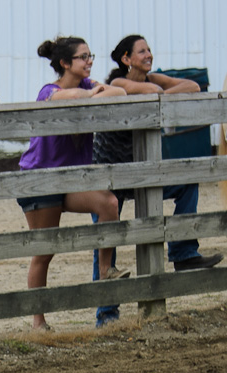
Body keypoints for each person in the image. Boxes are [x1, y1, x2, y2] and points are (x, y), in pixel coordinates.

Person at [91, 34, 222, 326]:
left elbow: (193, 86)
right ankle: (107, 316)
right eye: (142, 51)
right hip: (108, 176)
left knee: (187, 183)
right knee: (105, 245)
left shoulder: (151, 77)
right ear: (126, 59)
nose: (149, 54)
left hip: (140, 173)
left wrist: (162, 84)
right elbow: (148, 89)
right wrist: (161, 85)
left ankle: (183, 252)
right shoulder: (118, 83)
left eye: (149, 49)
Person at [18, 36, 127, 330]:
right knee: (45, 251)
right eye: (83, 57)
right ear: (65, 64)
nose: (89, 61)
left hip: (71, 177)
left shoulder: (89, 86)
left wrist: (99, 92)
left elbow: (119, 92)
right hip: (40, 178)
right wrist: (96, 93)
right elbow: (67, 98)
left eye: (90, 55)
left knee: (109, 203)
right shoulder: (49, 91)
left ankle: (106, 270)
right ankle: (38, 322)